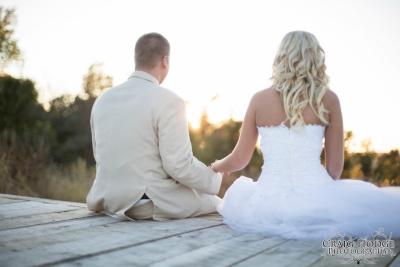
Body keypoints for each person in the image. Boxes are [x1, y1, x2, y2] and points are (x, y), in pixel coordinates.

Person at [211, 31, 400, 239]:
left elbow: (240, 159)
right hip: (317, 198)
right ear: (316, 58)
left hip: (267, 203)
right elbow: (335, 169)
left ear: (281, 57)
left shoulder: (259, 100)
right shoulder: (329, 100)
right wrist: (318, 193)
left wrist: (216, 166)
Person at [86, 33, 224, 221]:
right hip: (145, 202)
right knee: (218, 203)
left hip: (106, 199)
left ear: (137, 59)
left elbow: (102, 156)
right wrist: (214, 177)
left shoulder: (102, 100)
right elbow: (179, 166)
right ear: (165, 61)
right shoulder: (170, 100)